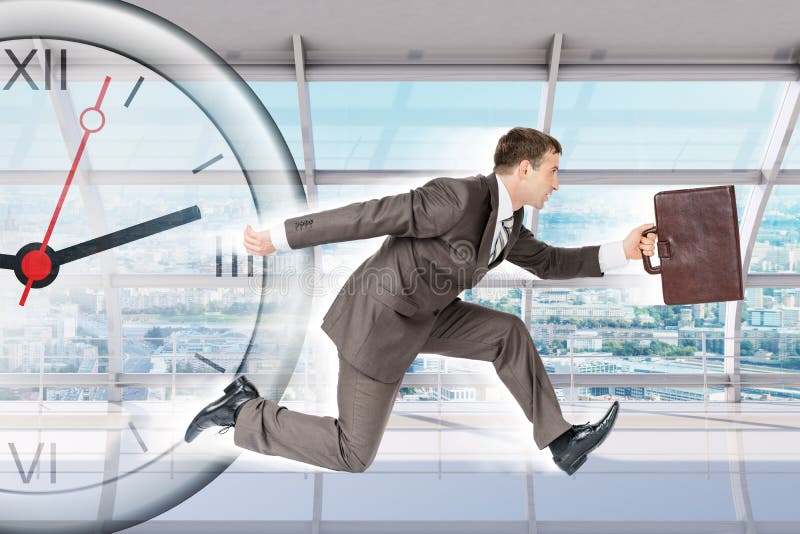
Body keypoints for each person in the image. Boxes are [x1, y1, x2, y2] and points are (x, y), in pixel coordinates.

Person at [184, 127, 659, 476]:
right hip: (377, 321)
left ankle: (561, 442)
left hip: (426, 314)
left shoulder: (508, 223)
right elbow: (368, 216)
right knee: (354, 452)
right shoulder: (457, 197)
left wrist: (624, 249)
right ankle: (245, 410)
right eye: (553, 172)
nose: (557, 184)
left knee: (505, 333)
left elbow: (551, 262)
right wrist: (280, 238)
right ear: (524, 168)